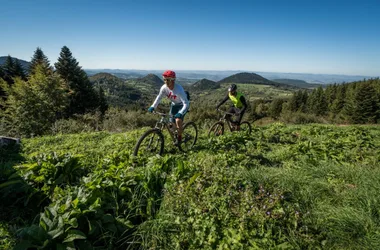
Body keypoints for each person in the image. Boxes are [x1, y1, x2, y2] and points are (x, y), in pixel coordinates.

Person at [148, 70, 189, 144]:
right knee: (171, 125)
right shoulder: (164, 88)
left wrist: (180, 113)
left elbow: (186, 103)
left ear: (173, 80)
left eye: (168, 80)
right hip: (174, 105)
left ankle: (179, 138)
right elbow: (159, 97)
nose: (166, 82)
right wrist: (153, 106)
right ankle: (176, 134)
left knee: (177, 121)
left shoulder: (179, 89)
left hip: (182, 106)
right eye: (164, 79)